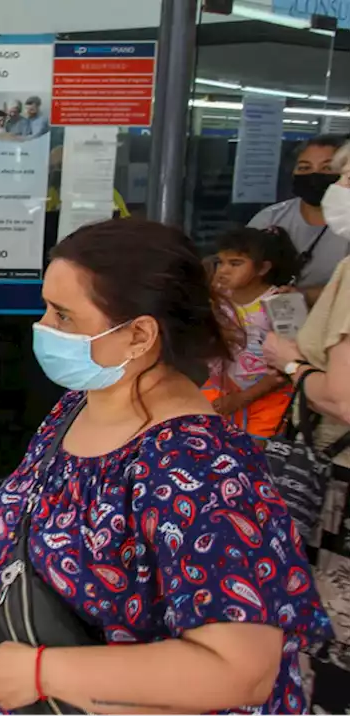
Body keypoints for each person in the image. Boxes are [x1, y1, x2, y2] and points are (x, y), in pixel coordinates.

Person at [0, 219, 329, 715]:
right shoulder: (79, 404)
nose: (43, 329)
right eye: (46, 308)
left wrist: (41, 672)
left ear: (138, 334)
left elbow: (241, 670)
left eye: (64, 316)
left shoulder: (198, 468)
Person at [262, 143, 351, 713]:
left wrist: (291, 363)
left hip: (341, 481)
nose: (337, 185)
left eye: (344, 174)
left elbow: (342, 397)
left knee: (333, 641)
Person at [201, 226, 299, 440]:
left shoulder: (282, 303)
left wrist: (242, 398)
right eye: (221, 262)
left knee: (255, 463)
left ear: (262, 268)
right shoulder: (217, 299)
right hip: (220, 391)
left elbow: (292, 365)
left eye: (235, 263)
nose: (224, 270)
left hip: (267, 399)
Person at [249, 134, 350, 304]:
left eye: (327, 168)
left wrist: (305, 296)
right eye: (304, 168)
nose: (314, 175)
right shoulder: (271, 218)